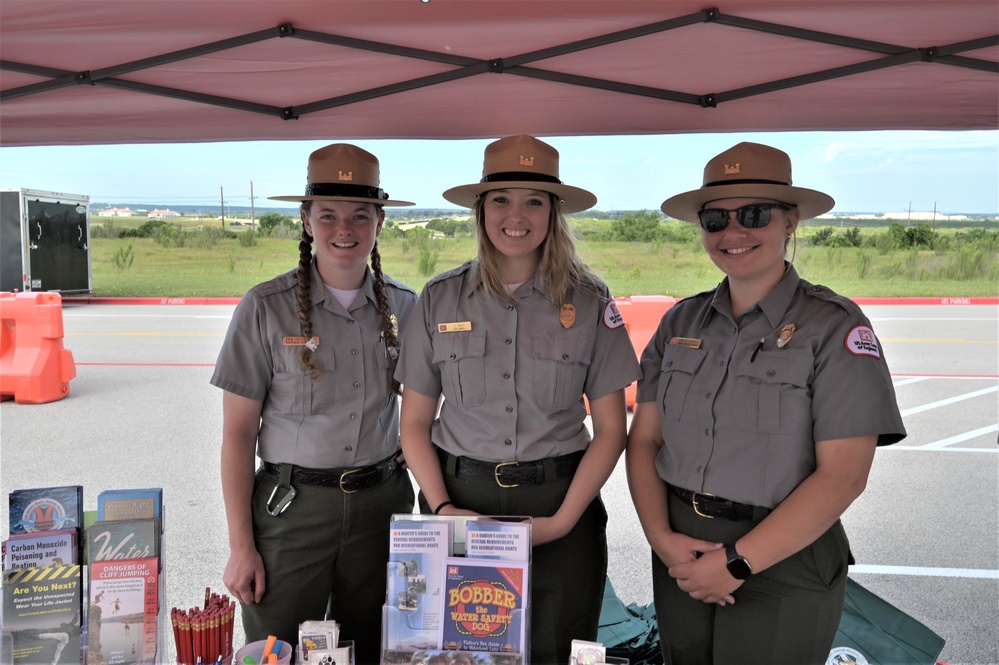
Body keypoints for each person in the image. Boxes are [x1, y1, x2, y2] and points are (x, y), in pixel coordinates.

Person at [626, 142, 907, 664]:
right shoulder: (680, 324)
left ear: (790, 221)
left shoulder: (835, 327)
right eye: (715, 219)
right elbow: (644, 440)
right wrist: (662, 539)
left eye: (754, 215)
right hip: (682, 550)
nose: (733, 233)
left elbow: (844, 475)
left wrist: (735, 563)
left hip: (786, 558)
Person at [395, 135, 641, 665]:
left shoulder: (590, 300)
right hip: (458, 499)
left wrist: (561, 522)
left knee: (556, 649)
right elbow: (414, 424)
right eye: (501, 200)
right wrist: (443, 510)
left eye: (534, 201)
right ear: (481, 211)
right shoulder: (439, 298)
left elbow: (612, 429)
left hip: (559, 505)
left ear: (554, 213)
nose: (517, 215)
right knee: (455, 654)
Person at [212, 144, 418, 664]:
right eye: (327, 214)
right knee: (274, 650)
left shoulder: (409, 309)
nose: (342, 229)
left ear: (379, 222)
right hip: (292, 512)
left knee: (377, 649)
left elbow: (424, 418)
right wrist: (242, 545)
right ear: (306, 220)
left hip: (382, 507)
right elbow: (238, 433)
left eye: (359, 216)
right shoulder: (264, 308)